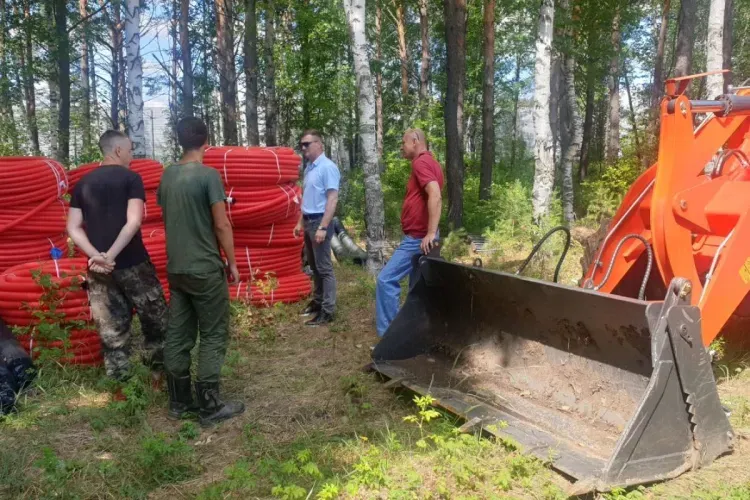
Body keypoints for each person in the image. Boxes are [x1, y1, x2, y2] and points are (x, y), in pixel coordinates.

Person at [157, 117, 244, 427]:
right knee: (212, 334)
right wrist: (232, 263)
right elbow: (221, 224)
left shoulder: (167, 177)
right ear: (206, 141)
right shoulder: (208, 176)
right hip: (205, 269)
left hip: (177, 269)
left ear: (180, 141)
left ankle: (179, 403)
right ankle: (209, 406)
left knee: (178, 335)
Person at [67, 130, 168, 391]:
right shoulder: (131, 179)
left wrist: (96, 256)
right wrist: (111, 255)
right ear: (119, 151)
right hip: (133, 263)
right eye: (131, 150)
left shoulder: (83, 184)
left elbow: (73, 227)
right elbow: (134, 221)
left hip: (99, 270)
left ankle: (121, 391)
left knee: (111, 329)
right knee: (155, 320)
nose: (132, 156)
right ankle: (157, 378)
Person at [375, 128, 443, 337]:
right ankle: (414, 334)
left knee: (386, 280)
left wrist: (430, 233)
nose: (401, 147)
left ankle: (390, 336)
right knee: (416, 290)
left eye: (403, 143)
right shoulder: (433, 162)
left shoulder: (421, 162)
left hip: (419, 238)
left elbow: (435, 194)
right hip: (424, 238)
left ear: (415, 141)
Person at [294, 129, 340, 327]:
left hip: (320, 222)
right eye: (301, 145)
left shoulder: (327, 167)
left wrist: (323, 227)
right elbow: (306, 198)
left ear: (319, 145)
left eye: (307, 144)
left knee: (324, 268)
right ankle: (318, 301)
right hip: (309, 221)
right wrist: (299, 222)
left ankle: (327, 311)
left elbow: (332, 198)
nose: (303, 148)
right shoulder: (309, 168)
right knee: (314, 267)